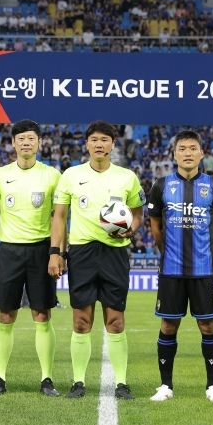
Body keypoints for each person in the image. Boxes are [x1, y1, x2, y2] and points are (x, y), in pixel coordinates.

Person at [50, 120, 145, 400]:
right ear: (87, 144)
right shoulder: (70, 175)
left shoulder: (127, 177)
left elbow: (138, 214)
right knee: (81, 320)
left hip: (115, 252)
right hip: (81, 252)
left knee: (115, 320)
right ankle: (78, 382)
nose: (99, 144)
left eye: (105, 139)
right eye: (95, 140)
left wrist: (133, 228)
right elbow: (59, 217)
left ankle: (122, 383)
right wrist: (56, 252)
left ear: (113, 144)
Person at [145, 130, 213, 402]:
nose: (188, 153)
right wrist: (166, 251)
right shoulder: (161, 185)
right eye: (183, 148)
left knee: (208, 327)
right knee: (169, 325)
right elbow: (156, 227)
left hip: (204, 270)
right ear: (175, 154)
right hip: (171, 270)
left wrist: (207, 252)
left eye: (193, 148)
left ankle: (212, 386)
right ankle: (165, 386)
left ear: (202, 153)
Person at [0, 119, 61, 397]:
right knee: (5, 315)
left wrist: (56, 253)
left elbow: (59, 218)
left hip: (41, 251)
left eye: (31, 138)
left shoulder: (52, 176)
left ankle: (47, 379)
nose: (26, 143)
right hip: (10, 251)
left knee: (42, 314)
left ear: (40, 143)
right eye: (21, 138)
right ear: (13, 143)